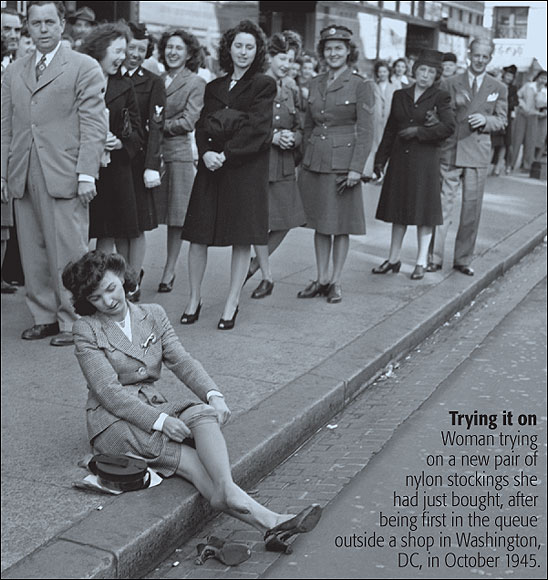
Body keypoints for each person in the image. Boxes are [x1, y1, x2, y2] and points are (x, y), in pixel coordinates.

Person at [62, 250, 322, 552]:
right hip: (112, 421)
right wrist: (161, 421)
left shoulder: (154, 314)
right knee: (190, 462)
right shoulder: (86, 329)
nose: (108, 300)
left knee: (202, 413)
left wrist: (214, 395)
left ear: (122, 278)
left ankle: (235, 497)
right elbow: (108, 392)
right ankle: (269, 520)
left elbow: (182, 361)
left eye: (110, 288)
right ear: (87, 302)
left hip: (151, 403)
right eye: (96, 297)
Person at [1, 0, 107, 345]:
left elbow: (93, 123)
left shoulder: (84, 67)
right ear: (27, 28)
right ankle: (44, 316)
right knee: (32, 250)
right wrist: (3, 173)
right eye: (36, 23)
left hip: (66, 172)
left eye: (50, 22)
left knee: (70, 251)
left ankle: (76, 321)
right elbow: (5, 126)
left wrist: (87, 173)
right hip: (24, 170)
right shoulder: (14, 71)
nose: (43, 29)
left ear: (62, 24)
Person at [180, 20, 277, 329]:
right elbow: (203, 124)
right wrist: (206, 151)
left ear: (257, 51)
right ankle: (194, 297)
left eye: (250, 47)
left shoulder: (263, 84)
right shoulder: (214, 87)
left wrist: (226, 152)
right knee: (198, 235)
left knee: (241, 238)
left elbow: (257, 128)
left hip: (244, 169)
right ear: (229, 49)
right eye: (238, 46)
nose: (243, 52)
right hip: (211, 166)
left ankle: (232, 302)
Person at [296, 25, 375, 304]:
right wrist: (306, 155)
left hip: (343, 165)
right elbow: (307, 126)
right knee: (320, 224)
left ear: (348, 52)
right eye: (328, 48)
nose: (333, 53)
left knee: (340, 225)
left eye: (338, 48)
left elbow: (366, 131)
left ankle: (336, 281)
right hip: (315, 162)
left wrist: (356, 168)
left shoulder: (361, 84)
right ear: (322, 52)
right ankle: (321, 278)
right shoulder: (315, 82)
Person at [371, 50, 455, 280]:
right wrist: (380, 161)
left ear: (436, 75)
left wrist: (420, 132)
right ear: (414, 70)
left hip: (424, 161)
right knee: (398, 211)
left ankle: (420, 262)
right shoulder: (400, 95)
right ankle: (393, 259)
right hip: (400, 158)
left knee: (423, 212)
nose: (425, 75)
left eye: (430, 72)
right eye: (422, 70)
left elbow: (448, 128)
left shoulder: (440, 97)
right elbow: (390, 130)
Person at [428, 38, 507, 276]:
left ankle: (463, 259)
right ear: (468, 55)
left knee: (471, 210)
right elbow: (438, 114)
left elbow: (503, 120)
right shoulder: (449, 83)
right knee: (442, 207)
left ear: (490, 59)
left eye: (485, 56)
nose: (480, 60)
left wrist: (486, 121)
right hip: (451, 150)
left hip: (478, 153)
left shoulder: (498, 87)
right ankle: (434, 257)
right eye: (476, 55)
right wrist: (453, 106)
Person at [246, 31, 306, 300]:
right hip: (260, 162)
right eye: (282, 58)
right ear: (269, 57)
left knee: (286, 221)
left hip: (283, 163)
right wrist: (272, 136)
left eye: (290, 60)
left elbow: (300, 124)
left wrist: (295, 137)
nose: (286, 64)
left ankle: (255, 264)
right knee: (260, 221)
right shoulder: (255, 84)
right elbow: (245, 126)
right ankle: (268, 277)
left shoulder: (291, 87)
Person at [81, 23, 143, 267]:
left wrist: (119, 142)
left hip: (114, 171)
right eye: (117, 51)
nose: (122, 57)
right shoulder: (80, 77)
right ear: (100, 48)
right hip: (81, 168)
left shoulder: (124, 85)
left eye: (123, 51)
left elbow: (137, 130)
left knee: (107, 232)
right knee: (78, 233)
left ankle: (98, 286)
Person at [156, 29, 206, 293]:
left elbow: (189, 121)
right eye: (169, 47)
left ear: (189, 54)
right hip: (154, 153)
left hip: (178, 155)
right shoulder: (157, 78)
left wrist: (156, 126)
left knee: (176, 217)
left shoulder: (195, 83)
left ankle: (169, 270)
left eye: (179, 48)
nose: (172, 52)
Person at [119, 22, 166, 302]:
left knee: (135, 224)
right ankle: (120, 274)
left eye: (141, 49)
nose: (135, 54)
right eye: (131, 48)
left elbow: (156, 125)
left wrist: (151, 165)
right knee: (118, 224)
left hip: (138, 163)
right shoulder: (109, 76)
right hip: (115, 161)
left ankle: (133, 278)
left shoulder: (152, 82)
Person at [363, 60, 399, 180]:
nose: (382, 74)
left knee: (389, 144)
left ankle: (385, 172)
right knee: (374, 144)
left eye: (385, 71)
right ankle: (371, 170)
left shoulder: (395, 86)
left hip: (390, 119)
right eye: (380, 72)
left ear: (389, 72)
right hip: (375, 119)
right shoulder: (373, 85)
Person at [510, 70, 546, 173]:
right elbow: (518, 96)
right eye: (542, 77)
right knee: (516, 139)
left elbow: (541, 106)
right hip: (522, 115)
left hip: (534, 117)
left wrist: (539, 94)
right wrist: (522, 105)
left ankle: (526, 165)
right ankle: (511, 163)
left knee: (531, 141)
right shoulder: (528, 86)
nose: (543, 80)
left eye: (545, 78)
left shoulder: (544, 91)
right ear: (538, 77)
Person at [491, 64, 519, 175]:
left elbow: (516, 102)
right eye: (507, 75)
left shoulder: (513, 88)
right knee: (493, 141)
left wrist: (508, 105)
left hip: (507, 116)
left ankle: (498, 166)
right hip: (495, 114)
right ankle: (488, 164)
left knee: (505, 143)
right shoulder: (497, 84)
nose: (509, 78)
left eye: (511, 76)